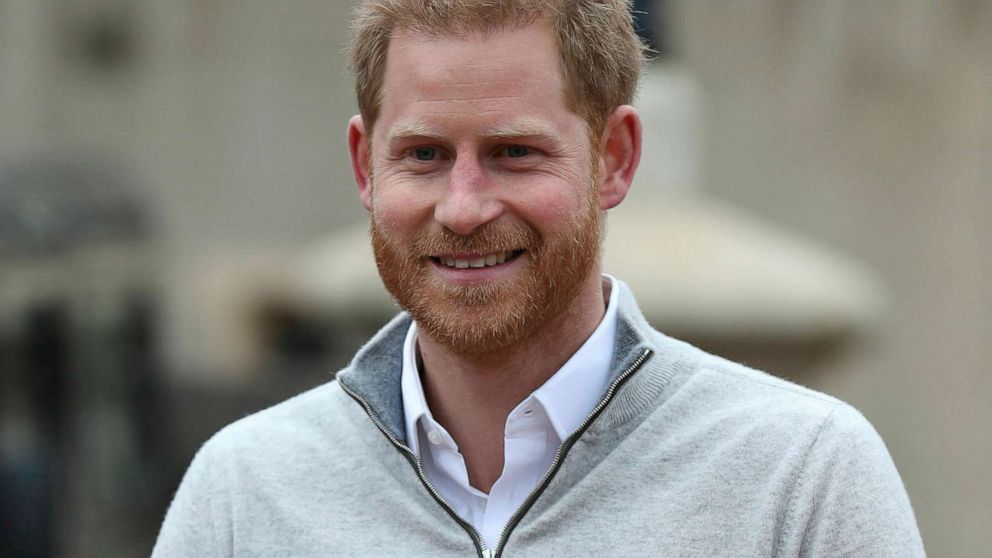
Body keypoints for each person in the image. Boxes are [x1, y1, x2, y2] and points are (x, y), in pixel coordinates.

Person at [153, 1, 925, 556]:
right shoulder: (243, 492)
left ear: (615, 157)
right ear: (365, 164)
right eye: (422, 154)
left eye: (514, 153)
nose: (461, 208)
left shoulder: (801, 478)